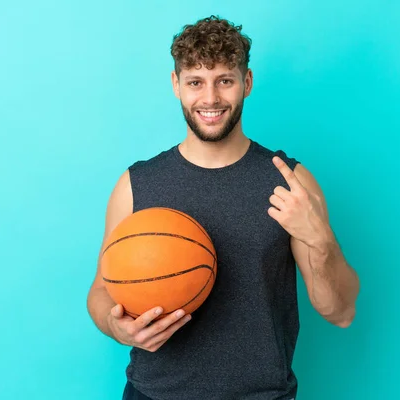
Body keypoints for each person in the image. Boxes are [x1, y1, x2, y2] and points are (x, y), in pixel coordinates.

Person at [86, 15, 360, 400]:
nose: (210, 98)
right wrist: (117, 329)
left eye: (224, 81)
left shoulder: (290, 183)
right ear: (175, 85)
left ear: (246, 83)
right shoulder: (136, 184)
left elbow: (341, 312)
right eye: (196, 82)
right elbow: (100, 292)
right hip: (153, 395)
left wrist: (322, 240)